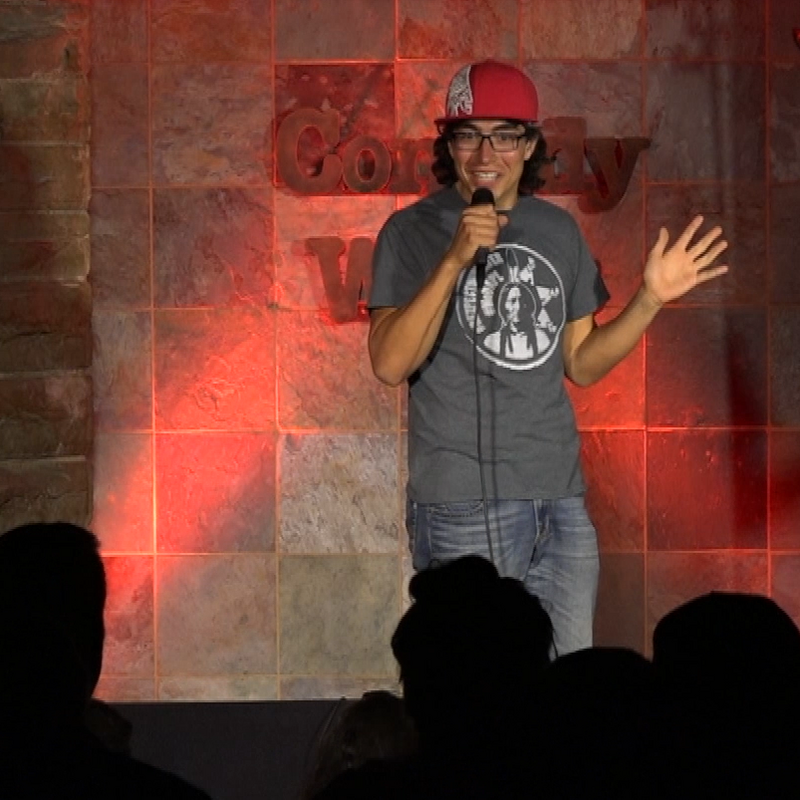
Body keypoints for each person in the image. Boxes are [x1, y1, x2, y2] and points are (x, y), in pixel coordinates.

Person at [368, 59, 729, 654]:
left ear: (530, 144)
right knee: (473, 684)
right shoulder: (409, 233)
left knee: (568, 686)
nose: (486, 154)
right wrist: (453, 260)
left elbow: (581, 362)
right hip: (461, 504)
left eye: (504, 135)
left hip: (559, 503)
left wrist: (649, 299)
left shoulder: (558, 231)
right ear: (449, 144)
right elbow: (388, 364)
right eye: (468, 135)